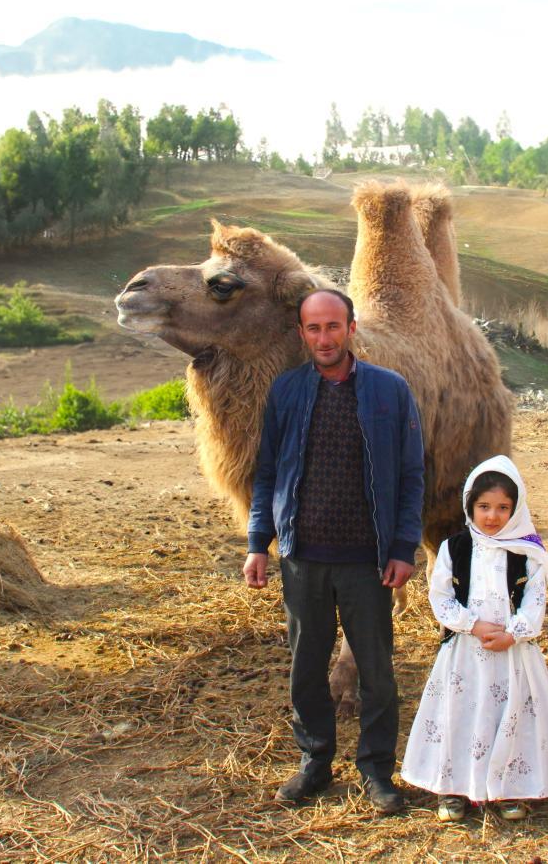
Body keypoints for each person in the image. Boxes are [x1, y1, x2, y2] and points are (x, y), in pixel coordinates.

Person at [243, 288, 425, 815]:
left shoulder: (390, 391)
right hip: (303, 557)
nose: (324, 337)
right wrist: (259, 543)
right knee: (306, 668)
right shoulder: (287, 391)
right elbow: (269, 475)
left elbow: (411, 475)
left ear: (350, 327)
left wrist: (402, 546)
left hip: (368, 561)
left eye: (333, 326)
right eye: (313, 328)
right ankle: (316, 763)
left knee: (376, 670)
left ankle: (376, 770)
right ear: (302, 333)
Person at [401, 454, 548, 822]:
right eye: (484, 507)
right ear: (470, 506)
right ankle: (453, 789)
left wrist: (514, 634)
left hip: (512, 658)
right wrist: (472, 625)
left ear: (516, 509)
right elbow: (441, 596)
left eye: (502, 507)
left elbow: (535, 601)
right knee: (459, 716)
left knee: (511, 718)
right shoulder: (454, 549)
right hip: (465, 654)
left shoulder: (527, 553)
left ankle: (508, 788)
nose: (492, 516)